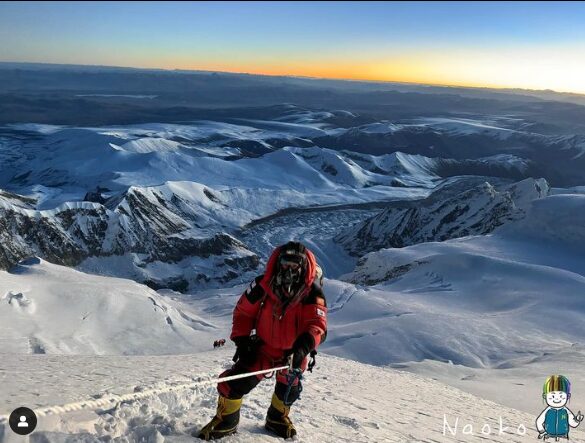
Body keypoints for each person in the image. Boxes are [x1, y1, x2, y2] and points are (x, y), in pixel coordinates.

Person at [197, 241, 327, 440]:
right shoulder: (261, 286)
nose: (289, 270)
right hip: (262, 349)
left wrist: (302, 348)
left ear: (303, 267)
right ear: (277, 263)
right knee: (233, 383)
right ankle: (227, 420)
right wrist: (242, 341)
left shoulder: (312, 294)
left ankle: (277, 418)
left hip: (293, 354)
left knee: (288, 390)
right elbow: (243, 313)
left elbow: (316, 325)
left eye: (294, 265)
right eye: (285, 263)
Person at [536, 375, 583, 440]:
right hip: (549, 437)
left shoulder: (566, 411)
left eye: (561, 396)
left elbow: (572, 423)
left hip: (563, 438)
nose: (557, 399)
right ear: (544, 396)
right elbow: (539, 421)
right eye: (552, 396)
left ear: (568, 396)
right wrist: (542, 431)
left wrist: (577, 420)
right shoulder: (547, 411)